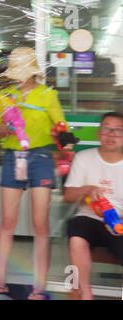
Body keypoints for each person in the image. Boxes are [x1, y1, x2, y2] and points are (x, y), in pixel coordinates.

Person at [0, 47, 68, 300]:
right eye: (17, 72)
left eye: (24, 71)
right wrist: (6, 125)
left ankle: (39, 287)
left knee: (40, 225)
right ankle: (0, 284)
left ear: (33, 71)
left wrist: (64, 138)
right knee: (7, 223)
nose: (20, 77)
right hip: (13, 157)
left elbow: (61, 128)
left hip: (41, 158)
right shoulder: (4, 95)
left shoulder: (48, 95)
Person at [64, 112, 123, 300]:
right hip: (89, 218)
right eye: (106, 128)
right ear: (99, 133)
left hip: (119, 221)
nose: (111, 134)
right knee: (76, 232)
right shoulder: (83, 158)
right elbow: (68, 196)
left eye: (118, 130)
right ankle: (85, 292)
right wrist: (87, 189)